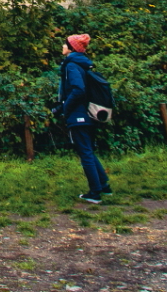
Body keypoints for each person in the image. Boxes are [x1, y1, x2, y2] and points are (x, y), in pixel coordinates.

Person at [56, 32, 111, 204]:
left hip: (78, 115)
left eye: (65, 44)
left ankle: (95, 193)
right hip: (88, 113)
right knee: (89, 150)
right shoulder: (82, 64)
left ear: (71, 48)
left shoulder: (72, 65)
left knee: (85, 153)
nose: (62, 46)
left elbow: (78, 90)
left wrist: (66, 108)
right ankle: (104, 185)